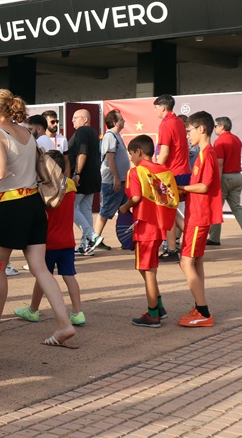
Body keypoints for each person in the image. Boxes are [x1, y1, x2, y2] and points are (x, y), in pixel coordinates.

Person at [0, 90, 76, 348]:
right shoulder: (27, 133)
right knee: (40, 268)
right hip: (34, 204)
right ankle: (64, 323)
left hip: (11, 204)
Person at [14, 150, 85, 327]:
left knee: (42, 276)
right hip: (67, 240)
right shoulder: (70, 185)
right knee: (69, 276)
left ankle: (33, 310)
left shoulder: (44, 189)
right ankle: (77, 312)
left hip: (48, 241)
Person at [120, 135, 177, 328]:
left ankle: (153, 314)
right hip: (159, 226)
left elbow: (135, 197)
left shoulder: (137, 171)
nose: (130, 158)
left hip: (144, 226)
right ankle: (158, 307)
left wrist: (124, 207)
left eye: (131, 154)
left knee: (147, 270)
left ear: (138, 152)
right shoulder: (164, 171)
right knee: (148, 269)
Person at [178, 111, 222, 328]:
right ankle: (200, 305)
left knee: (185, 262)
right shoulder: (203, 153)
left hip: (199, 215)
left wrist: (181, 188)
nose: (188, 135)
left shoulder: (207, 154)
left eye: (189, 131)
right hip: (196, 213)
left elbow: (204, 186)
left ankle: (203, 312)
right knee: (196, 261)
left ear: (201, 129)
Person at [209, 117, 242, 247]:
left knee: (216, 208)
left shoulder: (220, 142)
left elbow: (219, 163)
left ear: (221, 127)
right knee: (237, 207)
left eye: (215, 126)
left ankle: (214, 238)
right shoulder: (236, 139)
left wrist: (217, 182)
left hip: (225, 177)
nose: (214, 129)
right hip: (237, 177)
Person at [153, 94, 190, 261]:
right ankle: (177, 247)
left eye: (155, 108)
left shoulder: (166, 124)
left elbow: (165, 152)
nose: (155, 111)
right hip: (182, 172)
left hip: (171, 174)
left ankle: (176, 248)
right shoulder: (178, 122)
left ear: (163, 107)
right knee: (172, 212)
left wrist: (153, 171)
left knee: (169, 212)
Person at [93, 110, 130, 250]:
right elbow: (110, 158)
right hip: (113, 181)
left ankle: (126, 239)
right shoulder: (110, 136)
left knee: (124, 209)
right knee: (106, 210)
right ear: (115, 123)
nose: (124, 121)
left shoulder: (116, 136)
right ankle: (95, 238)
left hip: (120, 180)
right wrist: (115, 178)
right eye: (121, 119)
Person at [69, 109, 104, 255]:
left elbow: (82, 153)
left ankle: (91, 236)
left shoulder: (82, 132)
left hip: (82, 177)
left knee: (70, 207)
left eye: (75, 118)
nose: (72, 121)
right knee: (85, 209)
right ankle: (86, 245)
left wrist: (76, 173)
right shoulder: (93, 133)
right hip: (92, 177)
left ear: (85, 119)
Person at [38, 110, 71, 178]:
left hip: (59, 176)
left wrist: (67, 178)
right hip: (44, 176)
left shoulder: (63, 139)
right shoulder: (38, 140)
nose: (55, 124)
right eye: (52, 122)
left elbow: (66, 161)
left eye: (57, 122)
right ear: (45, 123)